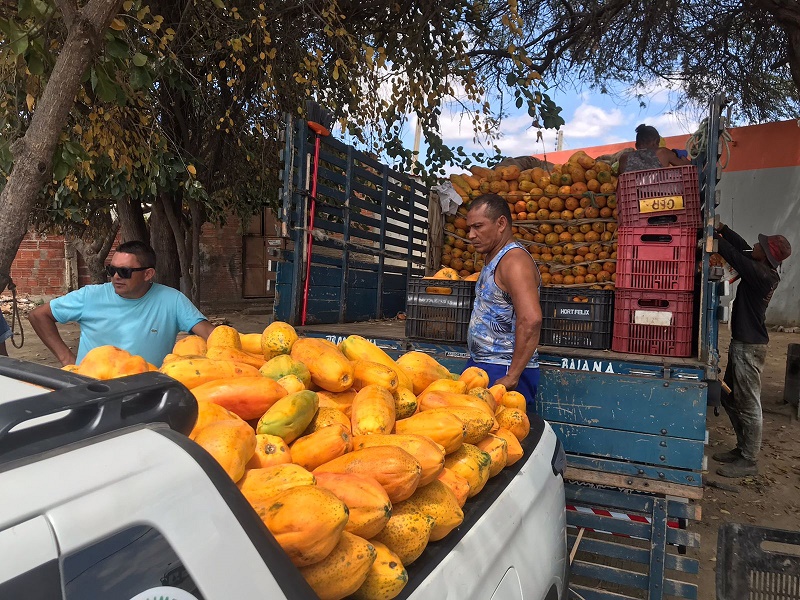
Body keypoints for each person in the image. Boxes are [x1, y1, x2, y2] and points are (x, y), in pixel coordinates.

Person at [29, 241, 215, 367]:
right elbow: (38, 315)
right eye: (112, 270)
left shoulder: (172, 300)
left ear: (148, 274)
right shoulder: (90, 296)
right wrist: (67, 359)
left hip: (147, 391)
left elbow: (209, 334)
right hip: (94, 389)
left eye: (124, 271)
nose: (116, 277)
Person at [712, 223, 791, 477]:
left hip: (749, 348)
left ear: (766, 255)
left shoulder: (761, 275)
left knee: (748, 402)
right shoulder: (761, 267)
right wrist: (723, 229)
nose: (755, 245)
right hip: (743, 344)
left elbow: (735, 255)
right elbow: (743, 247)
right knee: (728, 397)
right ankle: (742, 449)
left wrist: (713, 236)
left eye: (761, 244)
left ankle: (750, 459)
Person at [464, 193, 543, 408]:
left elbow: (531, 319)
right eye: (469, 228)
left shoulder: (514, 261)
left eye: (478, 226)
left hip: (503, 369)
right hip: (486, 366)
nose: (471, 235)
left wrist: (512, 376)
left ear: (501, 223)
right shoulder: (495, 257)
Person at [618, 124, 691, 174]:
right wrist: (681, 155)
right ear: (656, 142)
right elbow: (688, 167)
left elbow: (620, 176)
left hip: (632, 196)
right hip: (661, 196)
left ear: (636, 145)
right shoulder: (662, 153)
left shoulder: (624, 157)